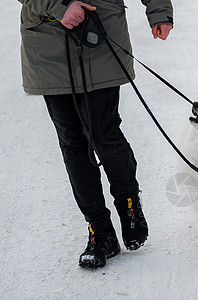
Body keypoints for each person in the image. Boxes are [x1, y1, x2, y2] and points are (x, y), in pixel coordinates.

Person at [18, 0, 173, 268]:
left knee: (105, 133)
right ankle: (100, 232)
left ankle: (129, 205)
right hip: (46, 39)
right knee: (73, 143)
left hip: (99, 32)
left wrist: (158, 11)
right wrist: (57, 7)